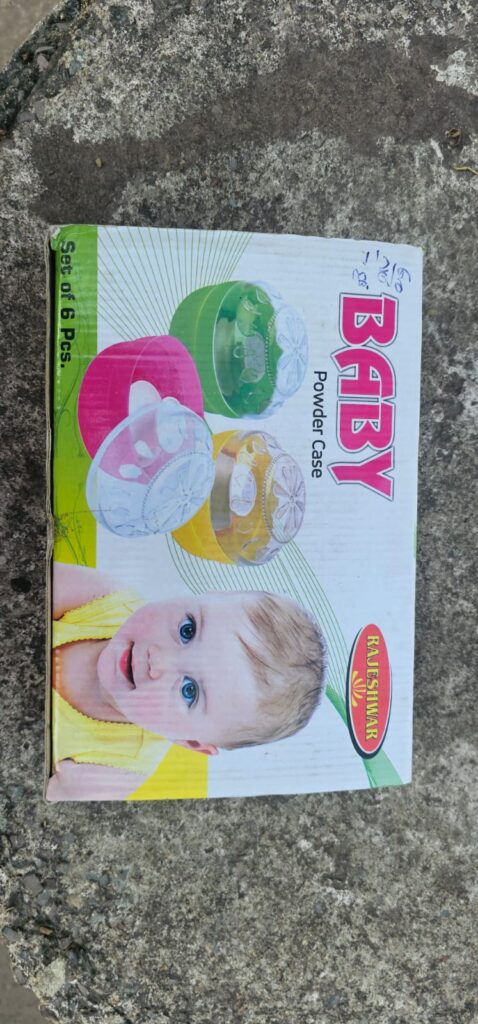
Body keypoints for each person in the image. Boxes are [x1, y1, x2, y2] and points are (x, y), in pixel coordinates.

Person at [48, 562, 327, 800]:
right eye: (187, 630)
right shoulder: (103, 601)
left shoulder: (110, 771)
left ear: (190, 742)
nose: (157, 661)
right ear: (203, 594)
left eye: (189, 691)